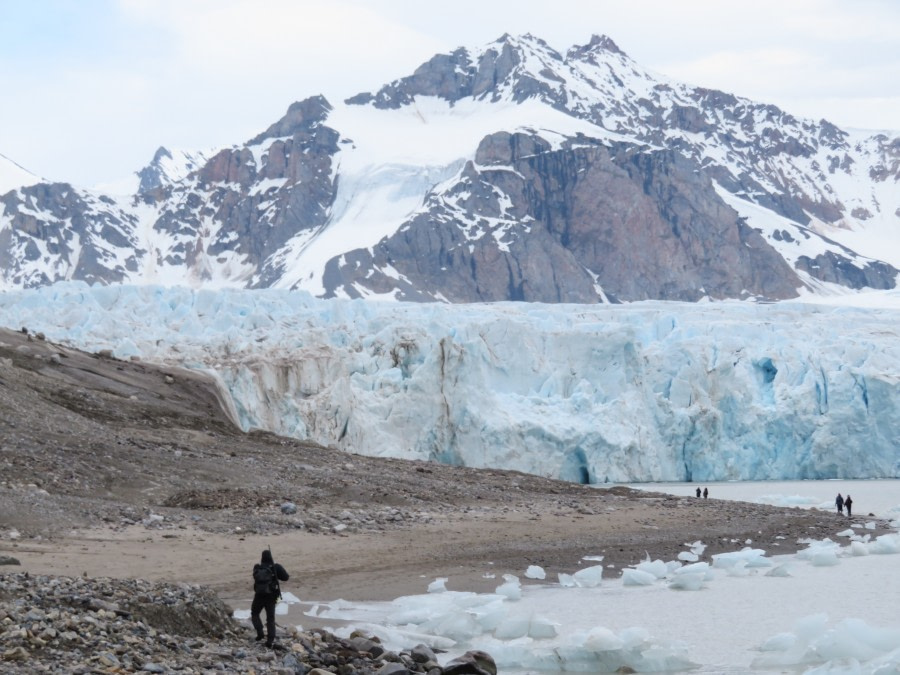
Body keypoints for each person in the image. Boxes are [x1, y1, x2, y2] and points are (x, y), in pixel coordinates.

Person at [250, 549, 290, 648]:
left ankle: (260, 633)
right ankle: (270, 640)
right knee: (270, 618)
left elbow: (255, 577)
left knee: (254, 613)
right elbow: (286, 577)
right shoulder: (276, 567)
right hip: (271, 596)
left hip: (259, 595)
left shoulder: (257, 567)